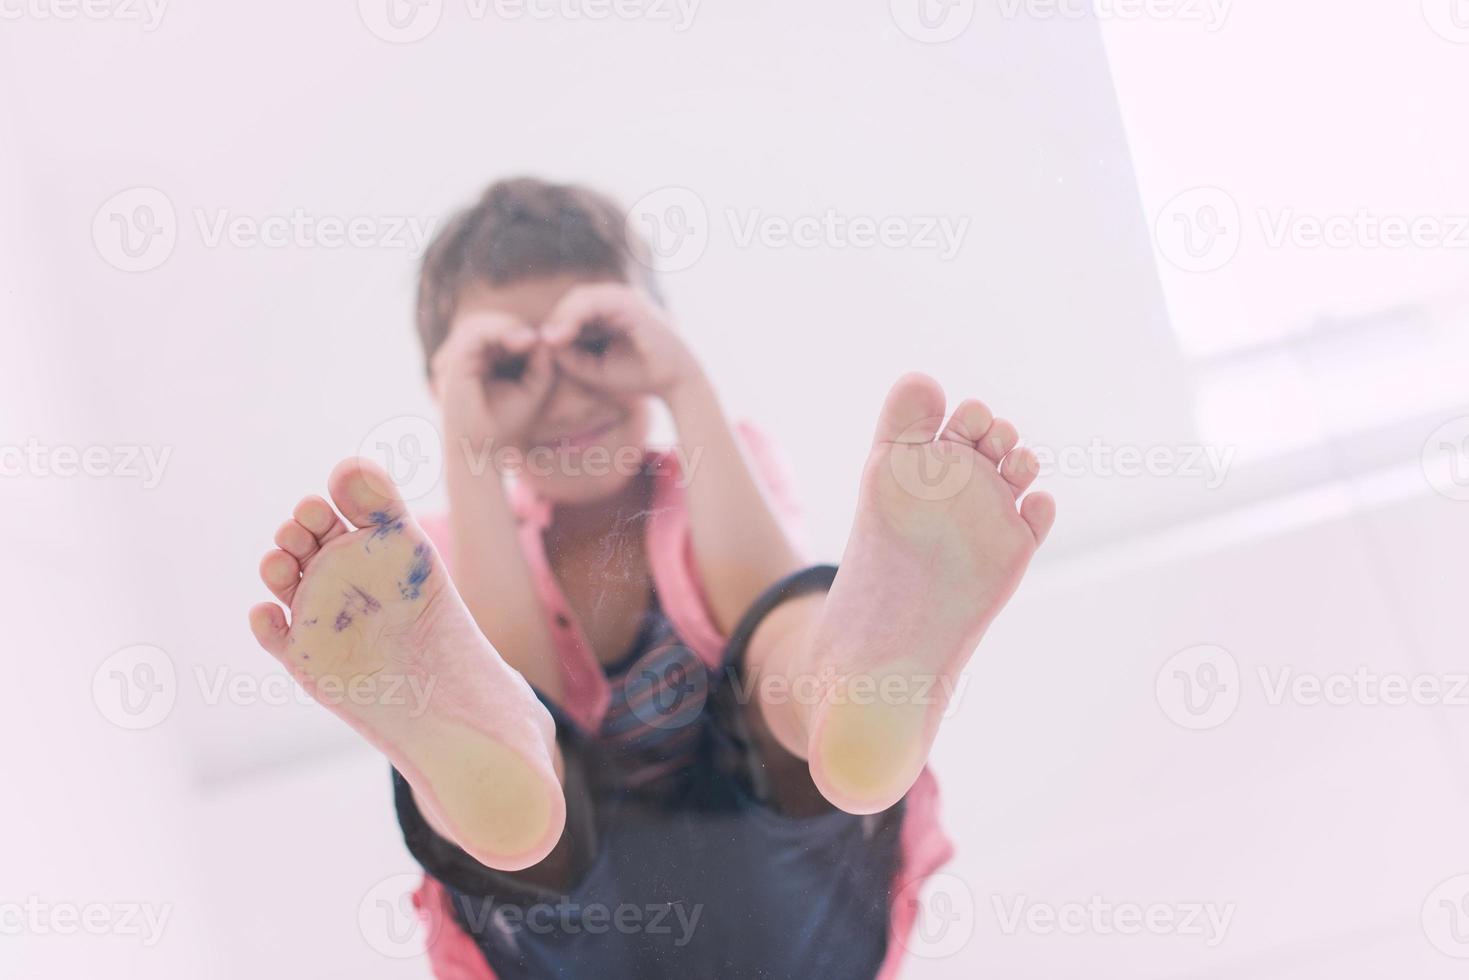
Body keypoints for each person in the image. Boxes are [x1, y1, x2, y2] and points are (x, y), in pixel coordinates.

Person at [248, 177, 1056, 979]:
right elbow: (519, 681)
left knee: (777, 642)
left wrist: (686, 384)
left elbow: (755, 601)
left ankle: (847, 686)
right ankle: (506, 786)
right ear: (450, 392)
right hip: (573, 926)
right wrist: (467, 444)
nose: (562, 396)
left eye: (597, 343)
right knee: (520, 757)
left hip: (792, 878)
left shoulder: (711, 480)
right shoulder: (423, 566)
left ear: (655, 337)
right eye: (504, 369)